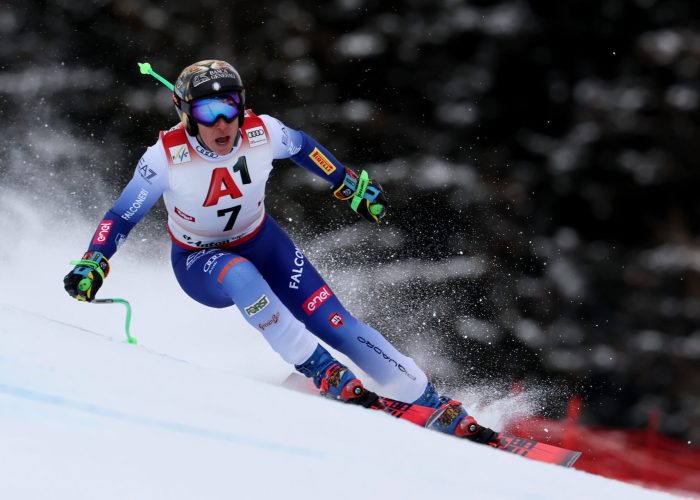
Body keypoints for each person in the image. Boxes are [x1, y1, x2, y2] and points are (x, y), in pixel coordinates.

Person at [63, 60, 497, 444]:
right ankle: (319, 368)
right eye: (207, 113)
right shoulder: (165, 157)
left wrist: (347, 185)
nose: (221, 124)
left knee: (337, 322)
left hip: (263, 241)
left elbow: (304, 147)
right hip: (200, 262)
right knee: (239, 275)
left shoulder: (261, 131)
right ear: (185, 115)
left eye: (230, 107)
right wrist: (94, 260)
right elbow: (121, 216)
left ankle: (427, 398)